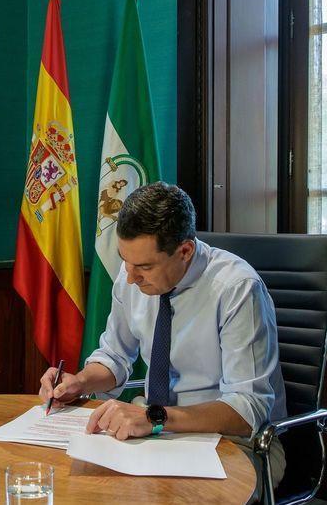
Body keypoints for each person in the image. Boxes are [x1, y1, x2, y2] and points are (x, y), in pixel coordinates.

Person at [38, 181, 286, 484]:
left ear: (184, 251)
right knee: (75, 480)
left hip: (234, 444)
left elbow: (249, 410)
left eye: (144, 266)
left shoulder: (237, 289)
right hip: (156, 433)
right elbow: (115, 355)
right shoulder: (132, 274)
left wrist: (155, 419)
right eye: (125, 261)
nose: (130, 277)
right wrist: (79, 381)